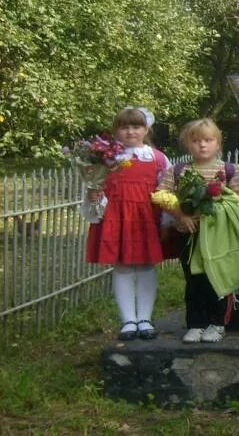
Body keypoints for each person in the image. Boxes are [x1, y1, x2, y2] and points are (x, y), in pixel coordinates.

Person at [83, 107, 170, 341]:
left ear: (146, 129)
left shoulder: (156, 157)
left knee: (145, 265)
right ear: (116, 130)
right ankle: (128, 320)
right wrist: (95, 197)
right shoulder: (107, 158)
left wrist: (167, 221)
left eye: (136, 126)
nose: (130, 131)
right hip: (117, 216)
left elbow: (167, 189)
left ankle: (145, 318)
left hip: (145, 218)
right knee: (122, 266)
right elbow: (98, 186)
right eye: (124, 126)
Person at [158, 118, 239, 344]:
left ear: (218, 144)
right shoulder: (177, 171)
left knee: (218, 276)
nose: (202, 145)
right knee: (194, 279)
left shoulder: (228, 170)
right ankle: (196, 323)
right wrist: (182, 216)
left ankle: (218, 323)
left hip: (220, 235)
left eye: (208, 140)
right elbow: (161, 196)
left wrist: (222, 199)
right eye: (196, 140)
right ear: (187, 144)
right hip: (189, 233)